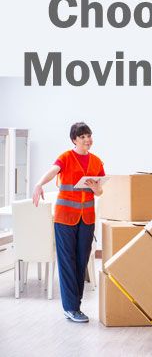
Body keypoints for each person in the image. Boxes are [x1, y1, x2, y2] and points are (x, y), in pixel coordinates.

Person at [32, 122, 104, 323]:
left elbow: (100, 191)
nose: (87, 139)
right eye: (82, 137)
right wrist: (38, 184)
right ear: (74, 140)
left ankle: (75, 306)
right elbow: (54, 170)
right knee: (67, 262)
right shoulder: (66, 157)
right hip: (65, 218)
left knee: (81, 261)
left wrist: (95, 188)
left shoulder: (97, 161)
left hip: (87, 218)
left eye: (88, 135)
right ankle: (71, 307)